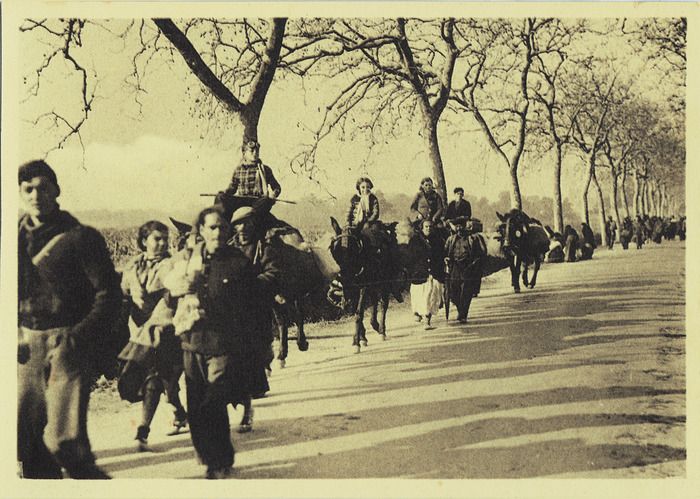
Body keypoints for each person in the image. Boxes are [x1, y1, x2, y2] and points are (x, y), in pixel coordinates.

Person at [18, 160, 122, 479]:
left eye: (44, 188)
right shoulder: (14, 238)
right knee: (23, 440)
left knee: (66, 442)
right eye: (28, 189)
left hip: (68, 342)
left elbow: (109, 294)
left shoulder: (80, 237)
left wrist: (77, 339)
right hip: (24, 344)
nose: (37, 195)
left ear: (56, 191)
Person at [157, 206, 264, 479]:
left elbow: (253, 307)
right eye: (212, 227)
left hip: (224, 345)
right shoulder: (187, 261)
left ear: (228, 231)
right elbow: (170, 301)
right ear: (202, 230)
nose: (217, 232)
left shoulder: (239, 263)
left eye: (222, 227)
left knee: (214, 401)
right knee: (196, 406)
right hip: (191, 344)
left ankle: (220, 459)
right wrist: (177, 291)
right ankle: (207, 455)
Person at [117, 221, 187, 451]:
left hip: (167, 331)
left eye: (165, 238)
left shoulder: (172, 264)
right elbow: (124, 297)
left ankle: (143, 430)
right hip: (140, 333)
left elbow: (173, 296)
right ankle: (178, 412)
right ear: (144, 241)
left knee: (157, 379)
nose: (163, 242)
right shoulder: (132, 267)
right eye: (157, 238)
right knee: (166, 385)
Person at [229, 205, 283, 433]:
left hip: (257, 305)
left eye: (246, 223)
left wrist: (252, 284)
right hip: (234, 309)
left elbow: (273, 272)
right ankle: (246, 396)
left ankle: (256, 387)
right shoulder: (229, 248)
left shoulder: (263, 247)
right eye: (238, 224)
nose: (242, 228)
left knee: (258, 347)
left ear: (253, 225)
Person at [216, 139, 282, 221]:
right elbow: (232, 188)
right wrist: (224, 193)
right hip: (241, 199)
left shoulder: (265, 169)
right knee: (221, 197)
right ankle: (224, 224)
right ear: (245, 153)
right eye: (252, 151)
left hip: (257, 201)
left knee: (265, 201)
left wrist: (274, 194)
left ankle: (250, 220)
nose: (255, 153)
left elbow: (276, 187)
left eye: (257, 151)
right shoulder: (238, 170)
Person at [407, 219, 446, 330]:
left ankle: (427, 320)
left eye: (430, 227)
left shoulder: (437, 240)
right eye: (426, 227)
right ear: (422, 228)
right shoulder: (415, 240)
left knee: (431, 297)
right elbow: (410, 257)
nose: (428, 229)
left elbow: (441, 255)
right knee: (421, 297)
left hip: (433, 273)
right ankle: (419, 314)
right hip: (419, 273)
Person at [444, 221, 484, 324]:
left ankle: (463, 314)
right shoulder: (451, 239)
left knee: (467, 291)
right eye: (457, 226)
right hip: (455, 266)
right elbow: (445, 252)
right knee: (454, 290)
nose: (459, 228)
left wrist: (474, 265)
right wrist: (446, 259)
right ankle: (460, 309)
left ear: (466, 226)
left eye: (461, 226)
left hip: (468, 267)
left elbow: (480, 254)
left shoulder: (472, 239)